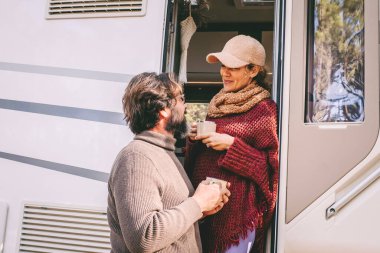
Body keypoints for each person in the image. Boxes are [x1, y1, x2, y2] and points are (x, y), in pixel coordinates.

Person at [107, 72, 231, 253]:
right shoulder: (136, 158)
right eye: (181, 98)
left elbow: (170, 217)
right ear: (163, 109)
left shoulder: (164, 153)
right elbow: (143, 238)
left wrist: (202, 210)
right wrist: (197, 203)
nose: (185, 106)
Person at [185, 35, 279, 253]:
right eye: (222, 66)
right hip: (203, 211)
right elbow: (203, 157)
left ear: (253, 70)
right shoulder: (217, 103)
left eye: (232, 68)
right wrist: (193, 140)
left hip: (237, 218)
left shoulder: (263, 109)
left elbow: (269, 169)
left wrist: (231, 145)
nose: (224, 73)